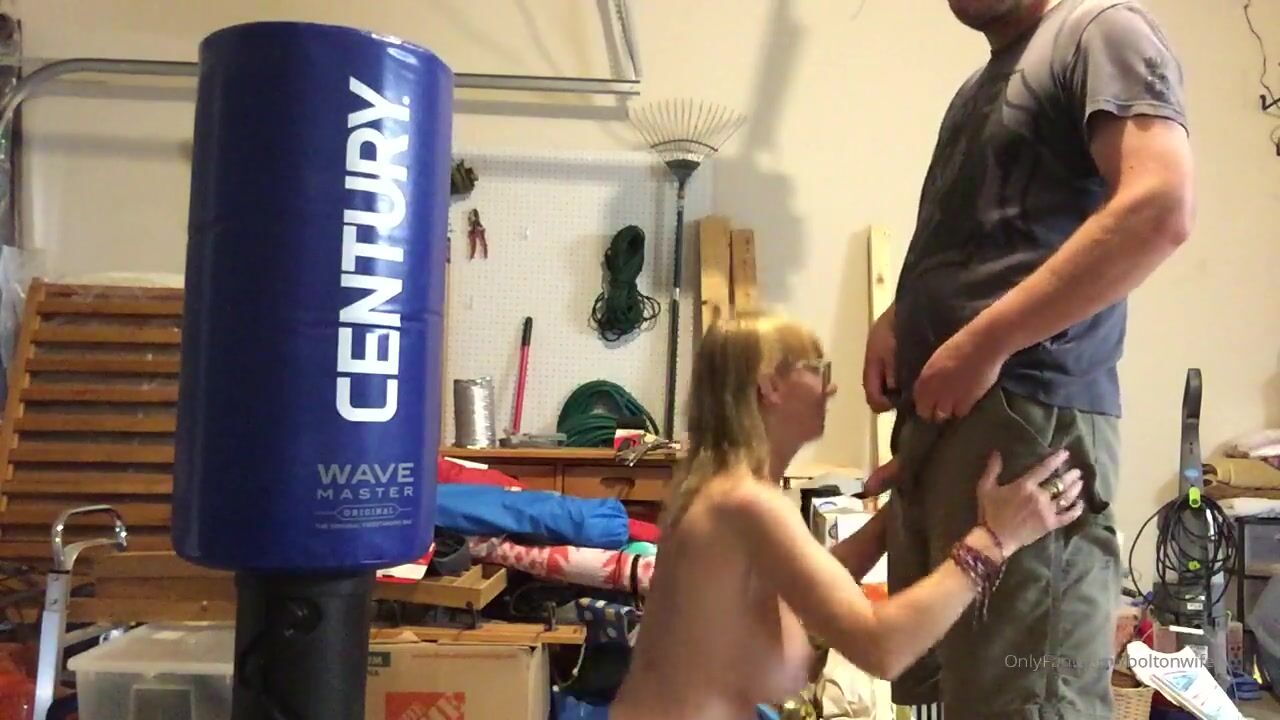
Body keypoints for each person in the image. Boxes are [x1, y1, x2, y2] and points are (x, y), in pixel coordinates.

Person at [862, 1, 1195, 717]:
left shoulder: (1100, 31)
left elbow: (1160, 206)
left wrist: (985, 340)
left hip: (1028, 428)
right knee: (960, 696)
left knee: (1027, 703)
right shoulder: (982, 85)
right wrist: (901, 315)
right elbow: (992, 236)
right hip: (955, 430)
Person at [610, 311, 1086, 720]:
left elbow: (803, 590)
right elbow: (883, 648)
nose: (832, 386)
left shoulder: (715, 497)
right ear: (769, 385)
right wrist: (995, 538)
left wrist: (897, 510)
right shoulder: (748, 504)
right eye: (818, 369)